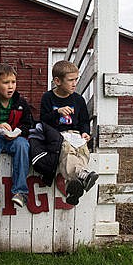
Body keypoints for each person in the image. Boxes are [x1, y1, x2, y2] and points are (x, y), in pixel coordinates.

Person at [40, 60, 99, 206]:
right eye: (71, 80)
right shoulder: (48, 98)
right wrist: (57, 112)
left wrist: (85, 132)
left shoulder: (78, 100)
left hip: (75, 134)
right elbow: (43, 121)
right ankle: (81, 174)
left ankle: (73, 186)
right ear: (57, 81)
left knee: (82, 150)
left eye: (76, 79)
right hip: (56, 134)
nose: (75, 83)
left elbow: (84, 121)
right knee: (67, 150)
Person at [0, 63, 34, 220]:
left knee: (24, 145)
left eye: (13, 82)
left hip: (14, 138)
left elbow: (28, 124)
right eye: (6, 83)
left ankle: (20, 191)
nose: (10, 87)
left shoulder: (21, 103)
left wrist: (18, 132)